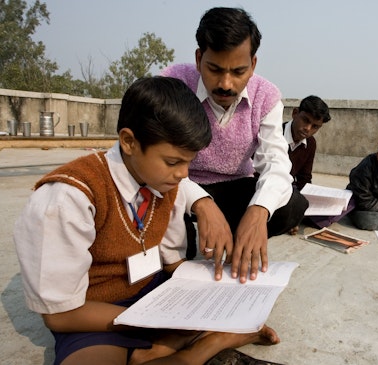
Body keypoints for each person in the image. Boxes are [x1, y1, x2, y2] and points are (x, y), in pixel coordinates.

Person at [13, 77, 279, 365]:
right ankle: (205, 344)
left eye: (188, 162)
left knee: (236, 302)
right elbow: (60, 315)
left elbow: (172, 264)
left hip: (154, 295)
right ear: (129, 142)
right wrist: (156, 322)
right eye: (173, 162)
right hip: (93, 313)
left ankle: (169, 346)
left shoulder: (165, 183)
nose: (183, 174)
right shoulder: (68, 199)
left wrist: (217, 286)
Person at [161, 7, 308, 283]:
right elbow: (157, 161)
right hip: (179, 184)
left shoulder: (267, 97)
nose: (225, 84)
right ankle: (194, 235)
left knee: (292, 203)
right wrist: (201, 203)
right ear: (198, 58)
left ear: (253, 65)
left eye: (238, 71)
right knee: (162, 199)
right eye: (214, 69)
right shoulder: (173, 83)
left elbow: (276, 164)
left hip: (237, 187)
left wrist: (258, 212)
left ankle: (236, 232)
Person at [283, 95, 331, 191]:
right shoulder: (274, 134)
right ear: (295, 113)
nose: (308, 128)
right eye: (305, 120)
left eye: (315, 126)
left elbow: (304, 179)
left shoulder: (310, 143)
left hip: (287, 191)